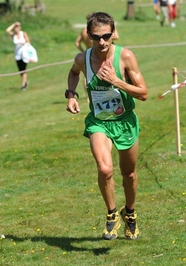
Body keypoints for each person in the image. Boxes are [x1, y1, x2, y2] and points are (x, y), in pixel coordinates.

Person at [66, 12, 148, 241]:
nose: (101, 42)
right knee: (105, 169)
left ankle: (129, 214)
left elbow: (144, 94)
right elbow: (73, 72)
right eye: (96, 37)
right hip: (99, 122)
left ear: (113, 33)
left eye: (106, 36)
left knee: (129, 174)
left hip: (125, 122)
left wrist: (116, 81)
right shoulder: (83, 59)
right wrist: (71, 95)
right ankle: (112, 214)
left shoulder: (125, 57)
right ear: (88, 35)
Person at [75, 13, 120, 102]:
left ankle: (88, 96)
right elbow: (116, 37)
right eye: (96, 37)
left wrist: (83, 51)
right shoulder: (102, 31)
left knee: (86, 78)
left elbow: (77, 43)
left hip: (89, 56)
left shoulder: (84, 31)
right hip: (100, 55)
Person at [5, 21, 31, 91]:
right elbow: (7, 30)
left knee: (24, 69)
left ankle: (23, 85)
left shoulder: (23, 34)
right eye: (16, 27)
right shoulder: (14, 35)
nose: (17, 28)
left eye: (18, 26)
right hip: (17, 55)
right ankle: (25, 81)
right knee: (20, 71)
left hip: (24, 54)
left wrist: (24, 43)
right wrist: (13, 24)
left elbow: (28, 41)